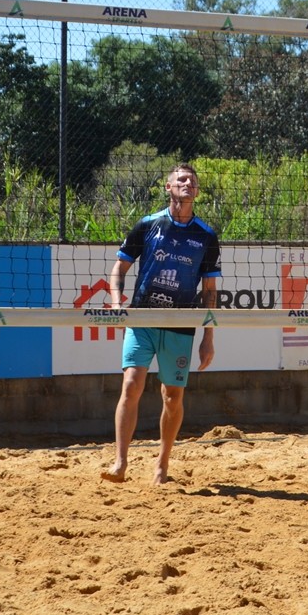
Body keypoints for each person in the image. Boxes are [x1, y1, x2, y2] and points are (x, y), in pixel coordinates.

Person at [101, 163, 220, 485]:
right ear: (168, 187)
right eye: (181, 180)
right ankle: (120, 463)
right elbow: (119, 268)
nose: (188, 184)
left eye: (192, 181)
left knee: (173, 397)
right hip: (142, 318)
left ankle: (162, 465)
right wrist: (115, 299)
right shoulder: (148, 225)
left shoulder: (206, 235)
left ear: (196, 191)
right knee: (131, 385)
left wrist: (208, 338)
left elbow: (210, 292)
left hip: (181, 324)